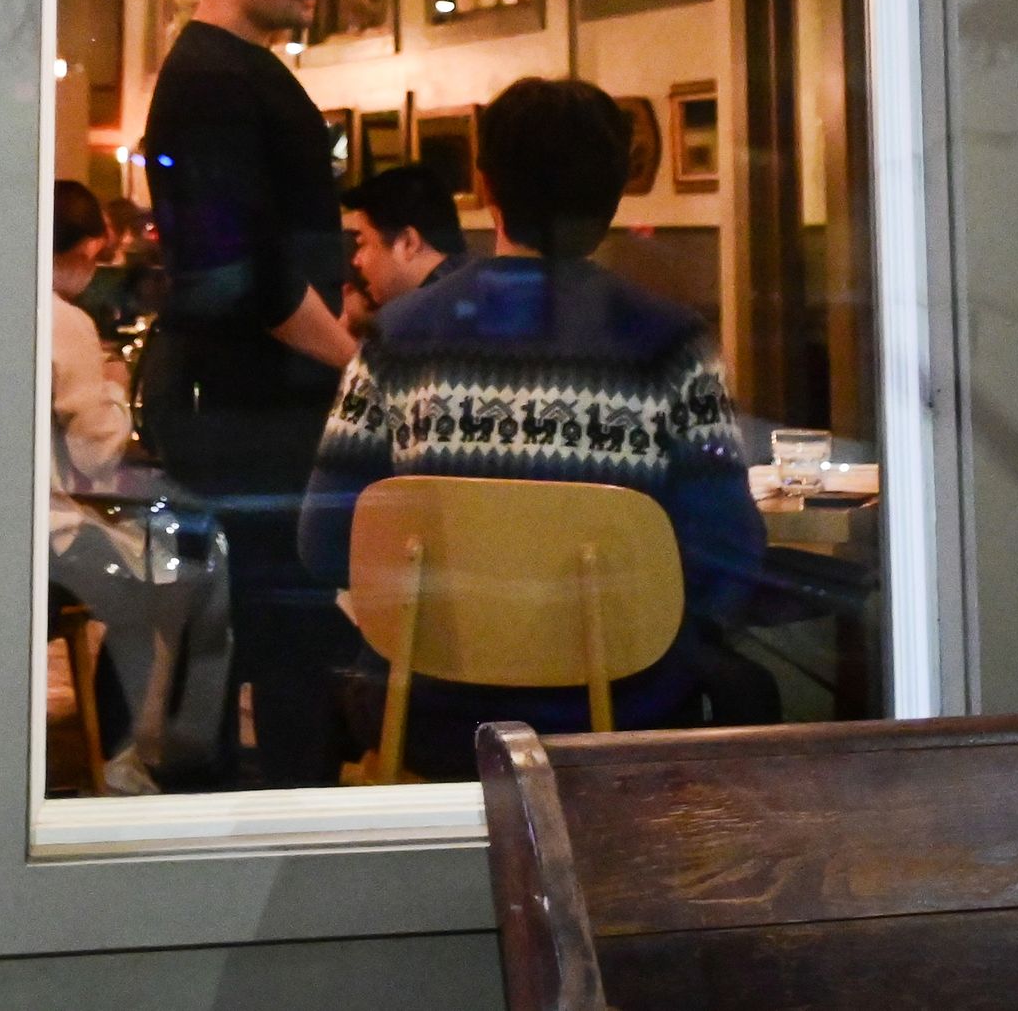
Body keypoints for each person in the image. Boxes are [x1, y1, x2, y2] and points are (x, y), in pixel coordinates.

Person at [299, 76, 769, 778]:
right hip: (618, 713)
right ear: (616, 194)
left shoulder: (397, 339)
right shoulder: (670, 343)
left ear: (486, 187)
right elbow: (726, 558)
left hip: (429, 712)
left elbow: (325, 545)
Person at [135, 0, 355, 785]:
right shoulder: (215, 79)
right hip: (240, 403)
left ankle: (251, 823)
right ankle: (278, 839)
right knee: (273, 626)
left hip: (240, 395)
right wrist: (356, 363)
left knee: (259, 626)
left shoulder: (229, 70)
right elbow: (242, 276)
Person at [48, 180, 228, 790]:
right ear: (79, 251)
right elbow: (95, 454)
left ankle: (114, 748)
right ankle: (137, 757)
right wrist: (117, 388)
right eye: (95, 259)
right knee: (177, 568)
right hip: (41, 542)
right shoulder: (62, 320)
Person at [339, 161, 467, 340]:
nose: (356, 260)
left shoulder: (408, 328)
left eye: (363, 243)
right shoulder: (478, 294)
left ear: (408, 243)